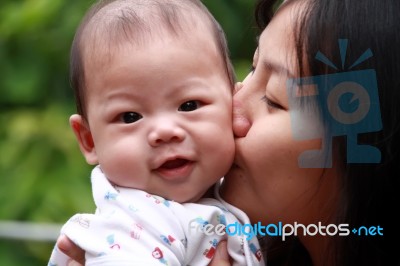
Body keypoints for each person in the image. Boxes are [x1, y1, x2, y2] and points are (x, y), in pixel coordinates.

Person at [57, 0, 400, 265]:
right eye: (252, 69)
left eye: (274, 99)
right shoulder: (137, 228)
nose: (232, 108)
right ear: (87, 137)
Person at [48, 0, 265, 265]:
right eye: (130, 117)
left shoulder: (239, 191)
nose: (164, 132)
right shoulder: (132, 228)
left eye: (189, 105)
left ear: (233, 105)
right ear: (89, 140)